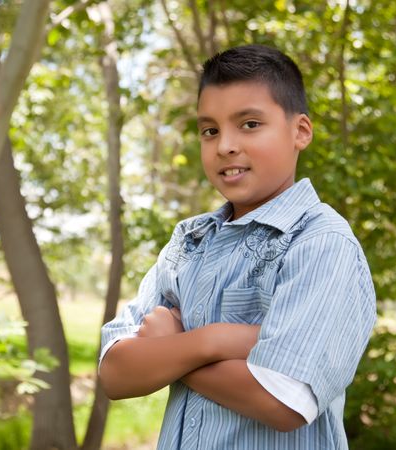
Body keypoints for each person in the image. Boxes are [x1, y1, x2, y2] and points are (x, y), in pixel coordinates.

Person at [98, 44, 376, 449]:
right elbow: (115, 374)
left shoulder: (320, 242)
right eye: (209, 130)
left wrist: (169, 351)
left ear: (300, 131)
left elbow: (282, 400)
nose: (225, 145)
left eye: (249, 124)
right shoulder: (189, 241)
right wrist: (217, 340)